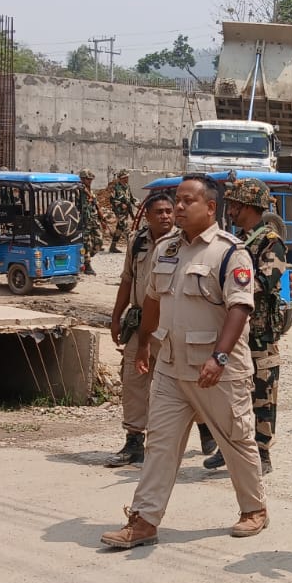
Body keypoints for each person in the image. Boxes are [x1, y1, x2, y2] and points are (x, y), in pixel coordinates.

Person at [100, 176, 268, 549]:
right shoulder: (165, 249)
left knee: (235, 440)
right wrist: (143, 345)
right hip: (171, 367)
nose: (178, 207)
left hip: (216, 370)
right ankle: (144, 520)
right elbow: (153, 302)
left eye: (187, 201)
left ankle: (254, 509)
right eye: (177, 200)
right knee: (160, 442)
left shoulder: (230, 252)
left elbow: (240, 307)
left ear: (210, 208)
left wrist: (220, 357)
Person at [209, 178, 287, 474]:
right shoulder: (236, 240)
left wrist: (227, 290)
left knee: (262, 393)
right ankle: (229, 446)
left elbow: (266, 280)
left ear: (249, 206)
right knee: (231, 393)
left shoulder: (270, 241)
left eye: (234, 205)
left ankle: (262, 452)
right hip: (233, 331)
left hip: (260, 333)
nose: (230, 210)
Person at [106, 190, 176, 468]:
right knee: (134, 380)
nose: (165, 216)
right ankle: (134, 440)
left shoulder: (183, 243)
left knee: (182, 379)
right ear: (147, 215)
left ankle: (204, 428)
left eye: (169, 211)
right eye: (159, 212)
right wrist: (115, 317)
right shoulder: (137, 242)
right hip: (139, 322)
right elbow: (127, 280)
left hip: (170, 322)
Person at [106, 170, 139, 254]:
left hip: (127, 211)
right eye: (124, 178)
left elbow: (131, 198)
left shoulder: (127, 187)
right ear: (120, 179)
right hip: (119, 212)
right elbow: (112, 199)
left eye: (127, 177)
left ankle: (112, 247)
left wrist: (136, 204)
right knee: (126, 227)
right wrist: (120, 204)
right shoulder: (116, 188)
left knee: (119, 229)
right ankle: (132, 247)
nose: (126, 179)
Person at [77, 171, 101, 275]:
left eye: (91, 179)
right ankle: (87, 264)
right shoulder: (78, 192)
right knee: (85, 244)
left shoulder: (91, 192)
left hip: (94, 220)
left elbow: (96, 206)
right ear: (82, 179)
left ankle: (83, 258)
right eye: (88, 179)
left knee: (99, 242)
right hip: (84, 221)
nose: (90, 181)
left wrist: (102, 217)